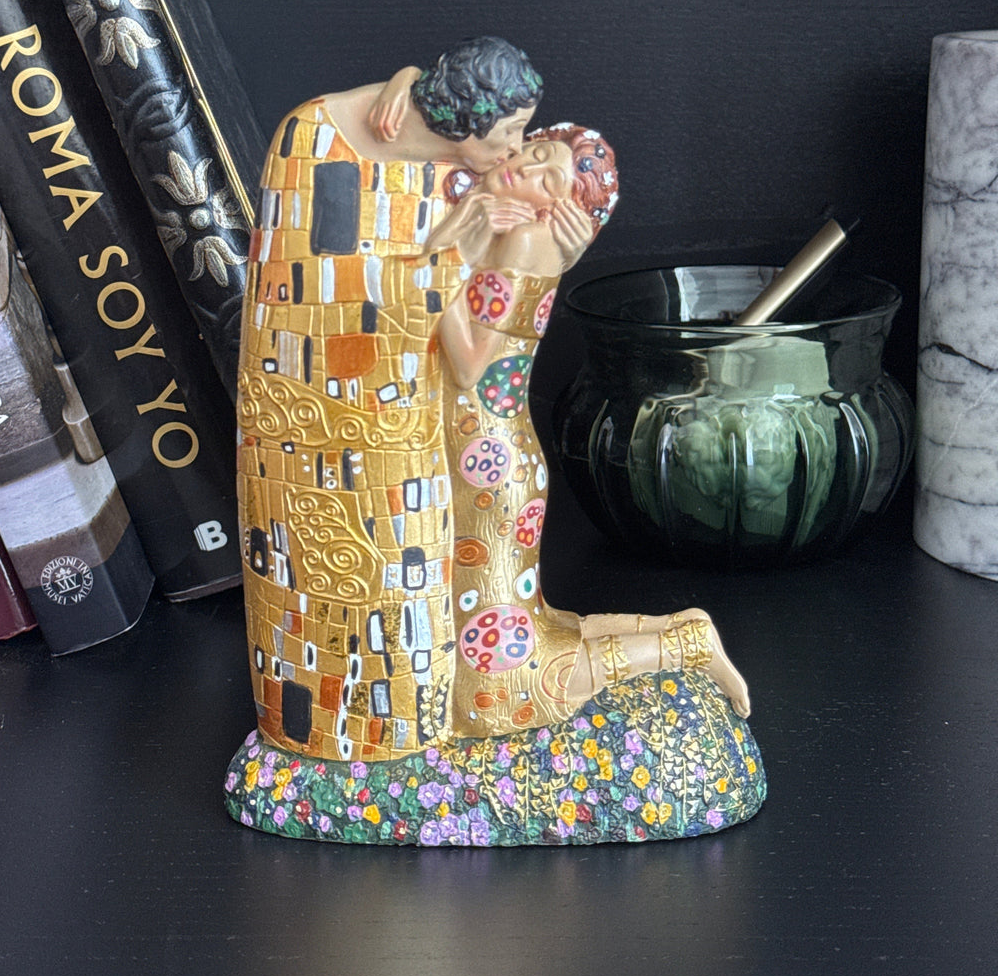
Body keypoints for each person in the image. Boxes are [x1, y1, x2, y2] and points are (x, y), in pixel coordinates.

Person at [237, 38, 544, 764]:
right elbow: (324, 284)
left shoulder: (461, 184)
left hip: (401, 432)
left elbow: (442, 330)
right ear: (462, 122)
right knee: (309, 592)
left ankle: (405, 730)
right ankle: (317, 730)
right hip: (303, 417)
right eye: (509, 133)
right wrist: (456, 257)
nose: (515, 150)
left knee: (401, 596)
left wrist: (482, 252)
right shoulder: (312, 135)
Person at [429, 124, 750, 734]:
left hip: (484, 465)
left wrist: (426, 272)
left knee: (497, 684)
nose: (528, 169)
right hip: (491, 456)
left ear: (559, 211)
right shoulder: (516, 234)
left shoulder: (524, 240)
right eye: (536, 153)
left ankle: (682, 648)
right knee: (528, 628)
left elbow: (468, 364)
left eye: (550, 180)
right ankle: (680, 629)